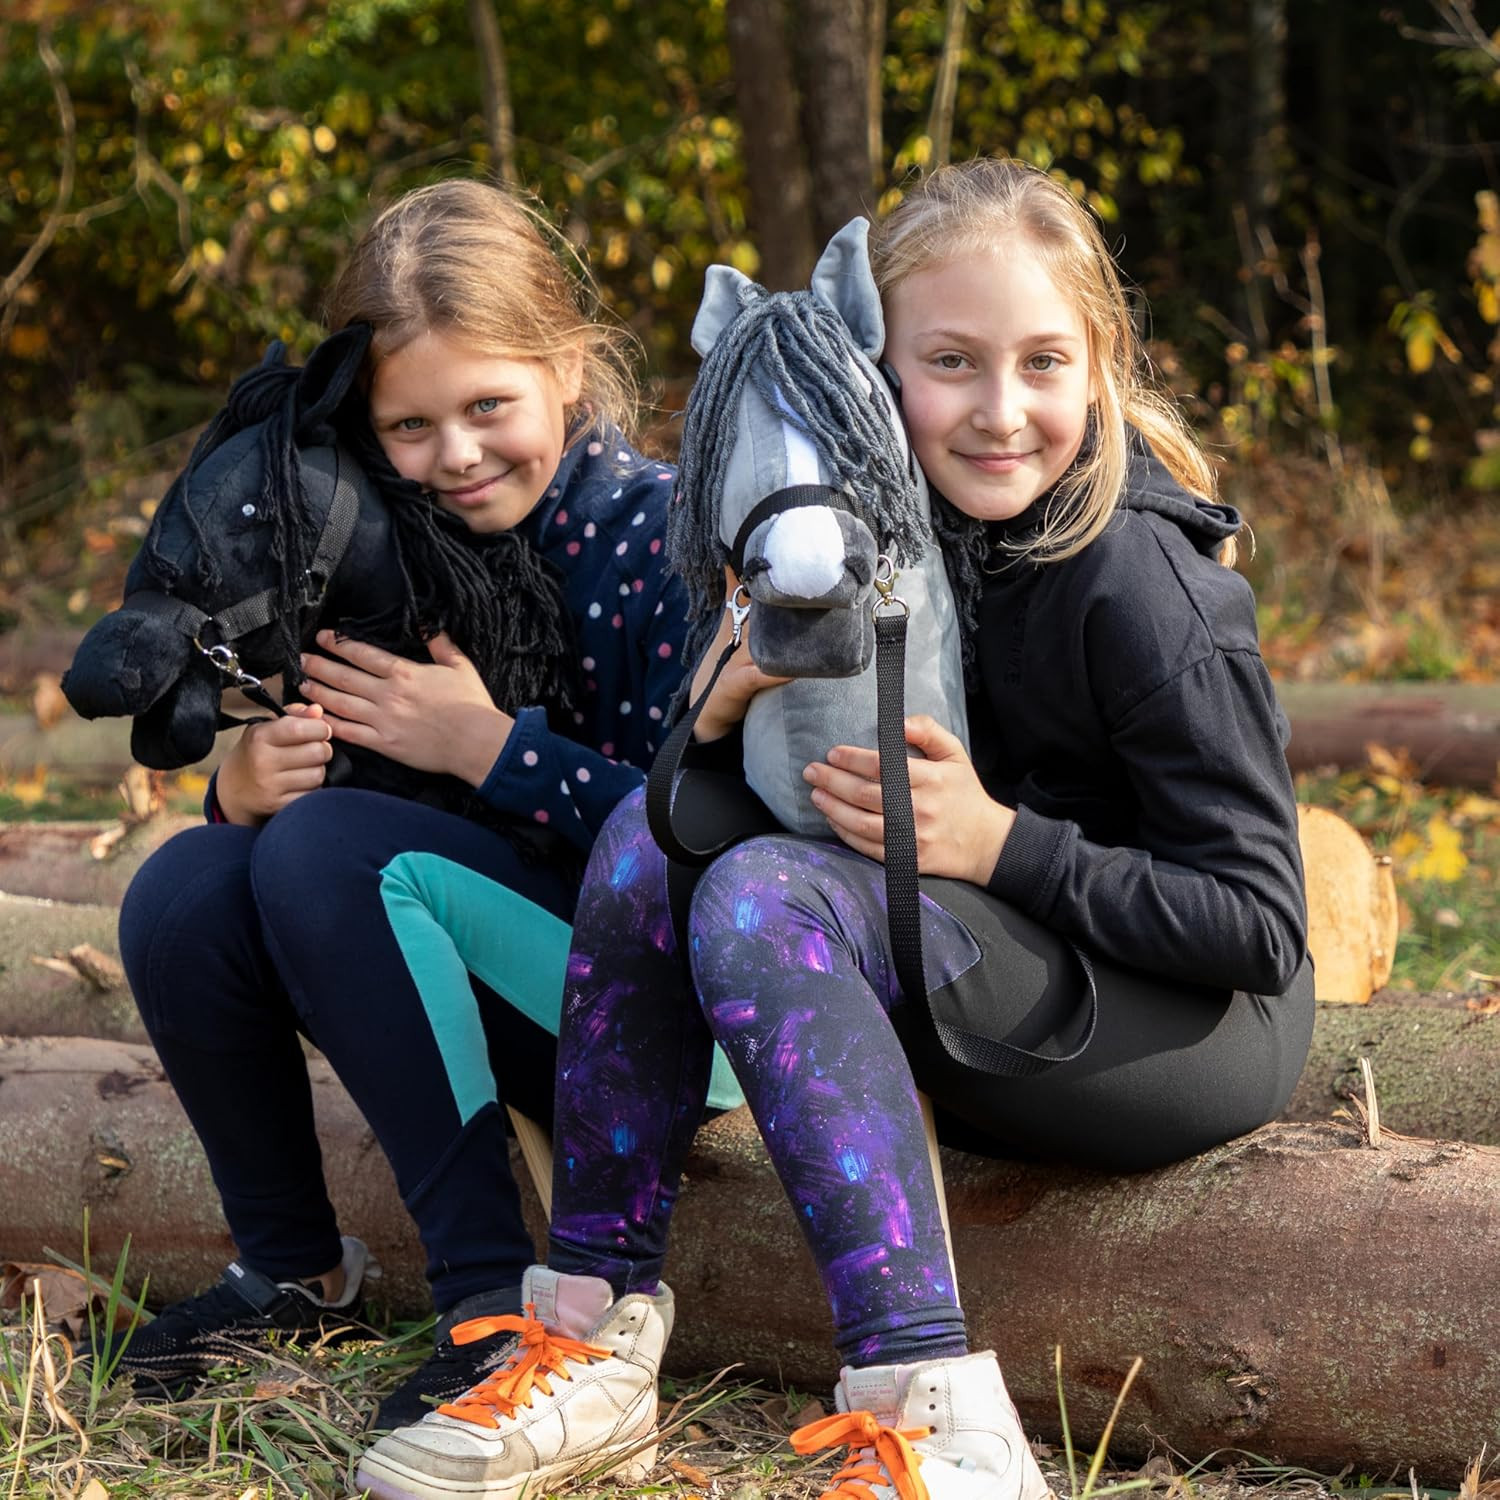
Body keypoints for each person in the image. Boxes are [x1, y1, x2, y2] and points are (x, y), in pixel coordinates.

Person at [355, 156, 1315, 1500]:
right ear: (874, 366)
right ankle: (592, 1336)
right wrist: (712, 718)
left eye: (1043, 363)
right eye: (950, 363)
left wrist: (997, 843)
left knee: (764, 898)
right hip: (984, 952)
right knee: (653, 840)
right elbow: (717, 827)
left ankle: (938, 1420)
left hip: (1173, 1025)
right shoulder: (873, 524)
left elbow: (1259, 928)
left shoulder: (1139, 579)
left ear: (1098, 365)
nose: (999, 411)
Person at [105, 177, 740, 1428]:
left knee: (328, 853)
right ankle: (291, 1268)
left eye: (488, 405)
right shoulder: (378, 545)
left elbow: (710, 843)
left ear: (567, 367)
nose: (455, 453)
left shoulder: (666, 536)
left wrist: (490, 749)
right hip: (450, 944)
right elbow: (348, 815)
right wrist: (246, 785)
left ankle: (491, 1304)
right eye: (410, 425)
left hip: (663, 1006)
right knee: (185, 885)